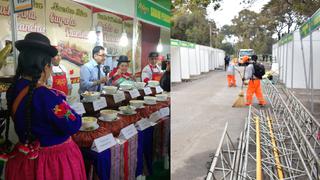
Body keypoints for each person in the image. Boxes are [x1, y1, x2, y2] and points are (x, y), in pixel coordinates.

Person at [5, 32, 86, 180]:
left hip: (24, 159)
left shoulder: (13, 89)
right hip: (52, 163)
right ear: (46, 67)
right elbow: (73, 124)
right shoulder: (47, 96)